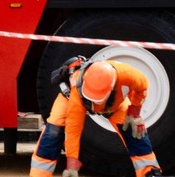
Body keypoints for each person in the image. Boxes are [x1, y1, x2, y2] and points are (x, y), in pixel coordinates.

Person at [30, 58, 162, 177]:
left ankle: (149, 172)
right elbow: (73, 129)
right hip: (71, 100)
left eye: (97, 100)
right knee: (53, 132)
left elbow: (143, 88)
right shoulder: (77, 90)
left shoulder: (128, 74)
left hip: (115, 104)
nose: (94, 104)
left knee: (135, 132)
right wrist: (72, 161)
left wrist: (134, 112)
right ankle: (39, 174)